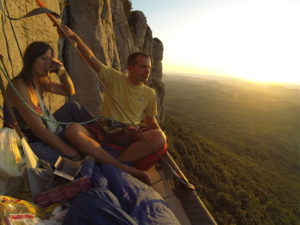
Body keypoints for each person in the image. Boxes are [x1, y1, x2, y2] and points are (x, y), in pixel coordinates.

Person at [4, 41, 150, 184]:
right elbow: (39, 131)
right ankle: (101, 161)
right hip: (29, 141)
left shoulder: (40, 82)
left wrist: (61, 71)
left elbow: (69, 91)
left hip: (47, 127)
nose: (48, 63)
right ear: (31, 59)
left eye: (50, 58)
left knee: (73, 106)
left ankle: (103, 134)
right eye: (44, 58)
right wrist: (71, 152)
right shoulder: (20, 85)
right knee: (75, 167)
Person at [58, 25, 167, 164]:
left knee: (159, 137)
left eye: (149, 68)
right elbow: (91, 58)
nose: (147, 71)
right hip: (105, 128)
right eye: (143, 66)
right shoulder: (115, 78)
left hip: (128, 133)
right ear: (130, 68)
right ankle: (113, 162)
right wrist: (75, 37)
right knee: (73, 127)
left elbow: (151, 120)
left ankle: (117, 162)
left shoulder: (150, 93)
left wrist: (160, 138)